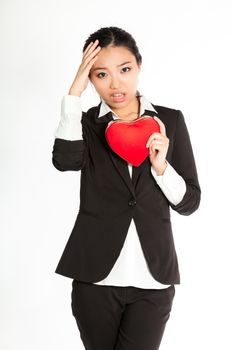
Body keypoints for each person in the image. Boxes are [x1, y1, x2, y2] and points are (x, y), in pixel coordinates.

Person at [52, 26, 201, 350]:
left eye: (124, 69)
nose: (115, 83)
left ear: (139, 66)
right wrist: (73, 95)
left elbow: (189, 202)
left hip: (154, 280)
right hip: (95, 277)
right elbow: (65, 161)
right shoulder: (86, 123)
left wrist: (161, 168)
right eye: (100, 74)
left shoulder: (170, 121)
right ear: (90, 78)